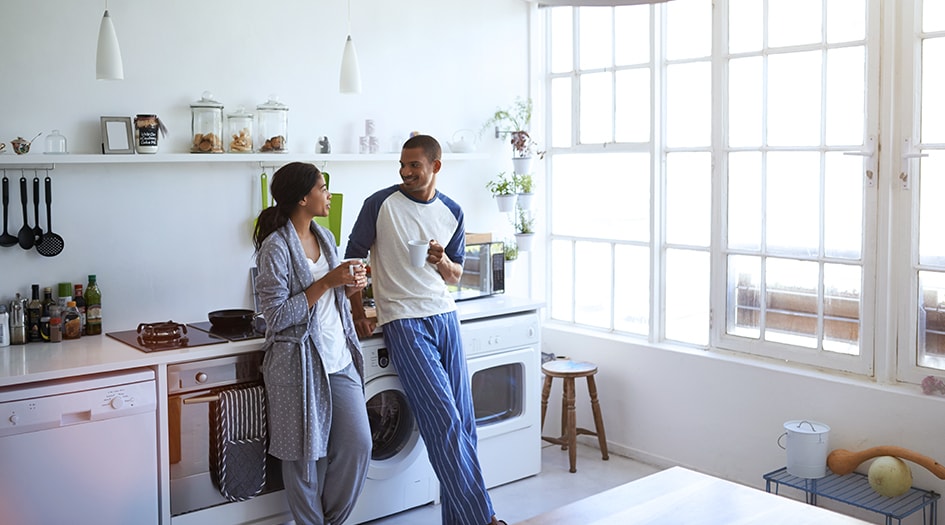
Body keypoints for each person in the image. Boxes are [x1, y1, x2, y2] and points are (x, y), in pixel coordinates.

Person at [345, 135, 506, 525]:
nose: (405, 172)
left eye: (414, 165)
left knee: (464, 425)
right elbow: (353, 259)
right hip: (403, 319)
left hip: (445, 317)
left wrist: (440, 261)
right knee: (444, 421)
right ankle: (483, 520)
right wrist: (356, 312)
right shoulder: (379, 204)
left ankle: (459, 520)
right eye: (402, 164)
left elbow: (455, 274)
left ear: (436, 166)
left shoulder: (452, 211)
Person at [253, 162, 372, 525]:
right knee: (303, 457)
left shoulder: (326, 238)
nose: (328, 195)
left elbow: (330, 298)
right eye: (322, 188)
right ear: (303, 198)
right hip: (297, 364)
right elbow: (274, 317)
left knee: (358, 445)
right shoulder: (275, 248)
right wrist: (325, 282)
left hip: (338, 358)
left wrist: (351, 287)